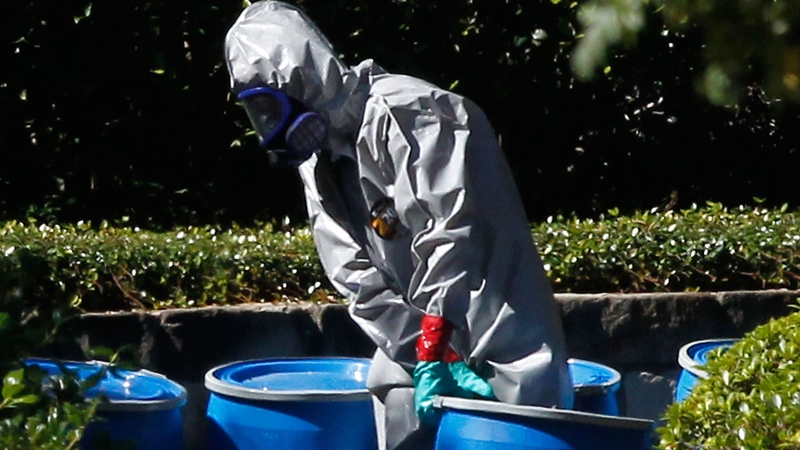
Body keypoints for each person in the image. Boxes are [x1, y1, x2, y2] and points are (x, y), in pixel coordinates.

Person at [224, 2, 574, 449]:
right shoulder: (318, 164)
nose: (271, 128)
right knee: (397, 398)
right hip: (418, 354)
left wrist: (435, 341)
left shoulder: (415, 113)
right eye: (258, 115)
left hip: (505, 340)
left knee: (513, 434)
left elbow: (450, 234)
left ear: (302, 77)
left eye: (270, 108)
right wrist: (426, 353)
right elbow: (355, 277)